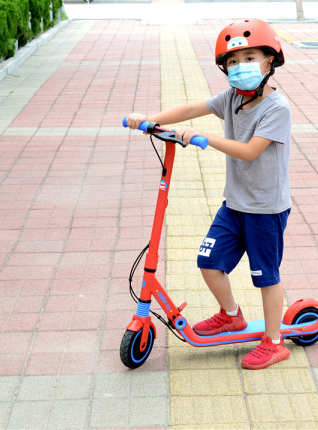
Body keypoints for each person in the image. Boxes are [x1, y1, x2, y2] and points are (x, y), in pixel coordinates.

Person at [125, 19, 292, 370]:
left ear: (270, 61)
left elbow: (248, 151)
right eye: (232, 61)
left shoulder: (277, 109)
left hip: (265, 210)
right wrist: (149, 121)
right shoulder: (231, 98)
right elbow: (189, 109)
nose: (240, 66)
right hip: (234, 205)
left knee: (266, 276)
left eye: (249, 57)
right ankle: (231, 315)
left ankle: (275, 342)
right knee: (209, 262)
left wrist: (204, 138)